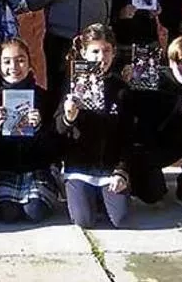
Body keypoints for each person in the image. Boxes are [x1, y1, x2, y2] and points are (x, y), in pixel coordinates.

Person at [56, 23, 133, 228]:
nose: (101, 57)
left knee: (120, 219)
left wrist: (121, 170)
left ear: (114, 52)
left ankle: (100, 196)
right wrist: (68, 117)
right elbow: (57, 130)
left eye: (106, 51)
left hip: (109, 168)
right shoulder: (71, 86)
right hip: (79, 167)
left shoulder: (121, 88)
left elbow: (128, 135)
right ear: (84, 53)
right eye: (95, 51)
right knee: (84, 220)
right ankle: (79, 192)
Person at [0, 38, 58, 223]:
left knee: (35, 212)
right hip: (1, 170)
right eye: (7, 61)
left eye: (20, 60)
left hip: (36, 170)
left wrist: (39, 128)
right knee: (7, 213)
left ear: (30, 63)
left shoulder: (43, 97)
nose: (14, 67)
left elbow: (55, 144)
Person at [129, 36, 182, 213]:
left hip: (172, 146)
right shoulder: (154, 79)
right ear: (171, 62)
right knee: (153, 195)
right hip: (145, 147)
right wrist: (180, 106)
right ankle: (133, 179)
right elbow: (142, 112)